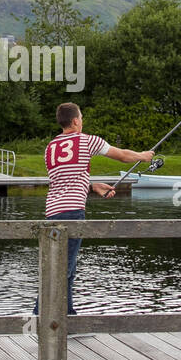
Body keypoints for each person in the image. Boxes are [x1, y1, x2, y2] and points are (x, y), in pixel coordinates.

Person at [34, 102, 155, 315]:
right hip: (73, 213)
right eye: (81, 118)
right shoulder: (87, 140)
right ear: (75, 121)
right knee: (62, 270)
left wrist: (92, 186)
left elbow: (63, 180)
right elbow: (123, 155)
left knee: (62, 269)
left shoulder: (50, 147)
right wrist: (143, 156)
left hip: (52, 212)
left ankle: (67, 319)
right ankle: (39, 317)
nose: (82, 121)